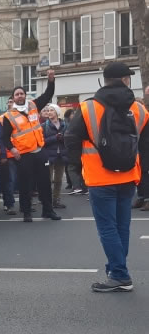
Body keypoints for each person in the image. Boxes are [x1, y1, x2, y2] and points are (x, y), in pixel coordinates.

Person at [64, 62, 149, 292]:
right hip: (129, 175)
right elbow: (145, 147)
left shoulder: (88, 107)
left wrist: (76, 168)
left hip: (100, 177)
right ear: (125, 80)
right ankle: (116, 268)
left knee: (107, 228)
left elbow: (71, 138)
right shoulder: (140, 110)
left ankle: (120, 275)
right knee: (122, 227)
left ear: (105, 80)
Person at [0, 71, 61, 222]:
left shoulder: (33, 105)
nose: (20, 96)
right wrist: (12, 149)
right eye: (17, 94)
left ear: (25, 95)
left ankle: (48, 210)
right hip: (23, 155)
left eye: (21, 93)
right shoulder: (8, 116)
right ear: (13, 98)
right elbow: (4, 137)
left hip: (40, 151)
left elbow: (48, 94)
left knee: (45, 183)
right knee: (25, 185)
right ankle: (26, 212)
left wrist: (51, 81)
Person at [42, 104, 68, 210]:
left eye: (51, 110)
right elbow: (41, 141)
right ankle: (47, 201)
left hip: (61, 156)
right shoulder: (44, 126)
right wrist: (54, 138)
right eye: (48, 110)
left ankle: (56, 200)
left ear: (57, 112)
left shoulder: (65, 125)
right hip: (49, 156)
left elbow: (69, 138)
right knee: (48, 180)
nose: (49, 112)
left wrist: (63, 138)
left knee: (58, 180)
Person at [0, 100, 18, 214]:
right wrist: (4, 155)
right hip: (10, 155)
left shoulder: (24, 116)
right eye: (9, 102)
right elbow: (0, 138)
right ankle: (9, 204)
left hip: (23, 153)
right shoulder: (3, 118)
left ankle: (25, 203)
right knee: (10, 180)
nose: (11, 104)